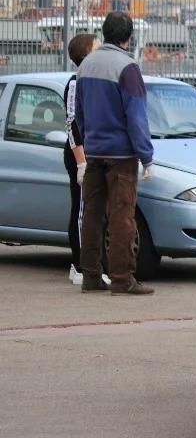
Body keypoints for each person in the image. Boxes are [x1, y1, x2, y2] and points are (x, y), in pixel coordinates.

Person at [74, 12, 155, 296]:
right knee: (122, 216)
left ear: (104, 33)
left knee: (93, 216)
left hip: (94, 152)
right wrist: (146, 156)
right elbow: (136, 117)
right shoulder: (127, 67)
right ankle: (121, 278)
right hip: (121, 156)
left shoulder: (86, 66)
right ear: (129, 37)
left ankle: (91, 276)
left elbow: (79, 115)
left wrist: (89, 139)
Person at [64, 33, 100, 285]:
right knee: (81, 209)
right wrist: (81, 162)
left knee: (93, 209)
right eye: (96, 48)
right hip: (80, 154)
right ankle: (78, 265)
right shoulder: (76, 82)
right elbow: (72, 124)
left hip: (96, 150)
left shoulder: (95, 81)